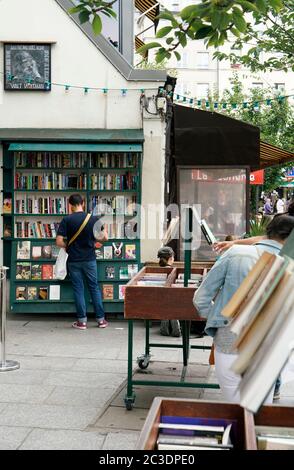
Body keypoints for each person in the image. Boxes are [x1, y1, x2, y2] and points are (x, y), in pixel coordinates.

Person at [193, 215, 294, 403]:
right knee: (259, 415)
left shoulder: (235, 253)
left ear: (267, 233)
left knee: (235, 411)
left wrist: (217, 320)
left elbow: (201, 298)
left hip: (229, 340)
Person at [56, 194, 108, 330]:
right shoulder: (93, 219)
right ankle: (101, 320)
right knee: (94, 288)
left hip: (74, 260)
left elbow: (59, 241)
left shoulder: (67, 220)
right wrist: (94, 242)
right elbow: (105, 238)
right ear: (83, 203)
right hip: (90, 259)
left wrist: (69, 246)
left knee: (78, 289)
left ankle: (82, 322)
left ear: (70, 205)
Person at [157, 246, 181, 337]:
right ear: (171, 258)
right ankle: (174, 320)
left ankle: (165, 324)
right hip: (172, 301)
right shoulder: (173, 271)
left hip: (159, 301)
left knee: (166, 300)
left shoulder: (156, 270)